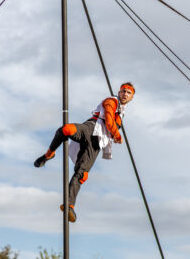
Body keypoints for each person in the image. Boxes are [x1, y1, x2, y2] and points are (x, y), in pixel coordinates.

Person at [33, 82, 135, 222]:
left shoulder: (122, 113)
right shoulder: (111, 101)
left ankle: (69, 205)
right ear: (119, 91)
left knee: (82, 174)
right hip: (90, 128)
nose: (125, 94)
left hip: (97, 142)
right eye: (123, 91)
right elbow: (110, 121)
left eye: (128, 93)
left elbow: (112, 126)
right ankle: (49, 154)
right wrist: (117, 136)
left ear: (131, 98)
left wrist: (115, 134)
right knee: (66, 130)